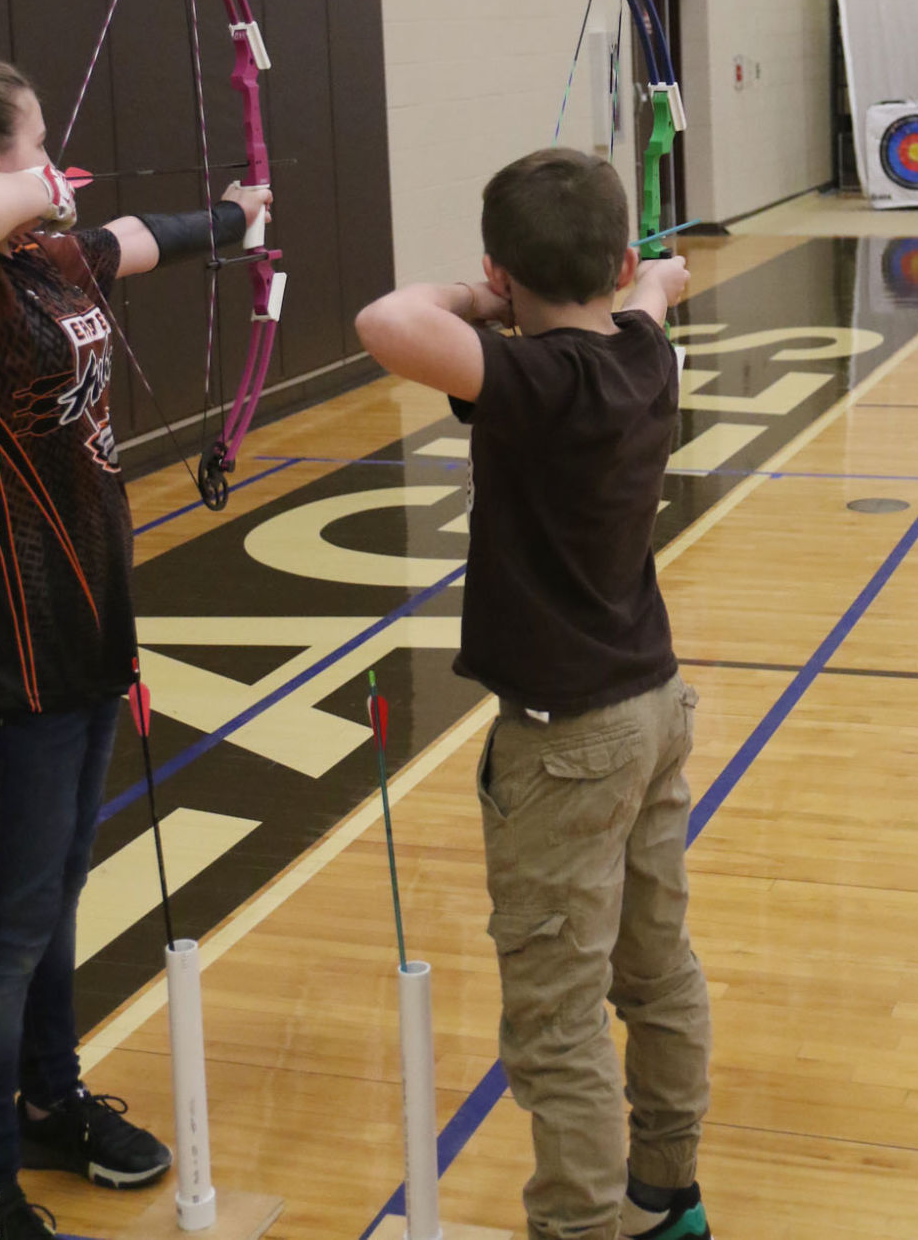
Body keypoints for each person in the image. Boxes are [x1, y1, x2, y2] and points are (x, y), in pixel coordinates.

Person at [355, 147, 711, 1240]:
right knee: (654, 967)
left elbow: (385, 317)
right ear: (610, 262)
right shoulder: (642, 360)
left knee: (555, 1021)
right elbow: (658, 288)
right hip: (650, 705)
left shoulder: (533, 382)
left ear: (504, 272)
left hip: (568, 744)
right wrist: (636, 282)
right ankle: (665, 1194)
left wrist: (482, 295)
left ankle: (580, 1226)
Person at [0, 58, 272, 1240]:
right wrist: (35, 188)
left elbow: (138, 235)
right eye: (40, 147)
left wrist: (234, 217)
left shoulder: (46, 259)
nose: (62, 164)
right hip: (4, 653)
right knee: (2, 928)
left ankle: (48, 1097)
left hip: (88, 633)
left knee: (54, 897)